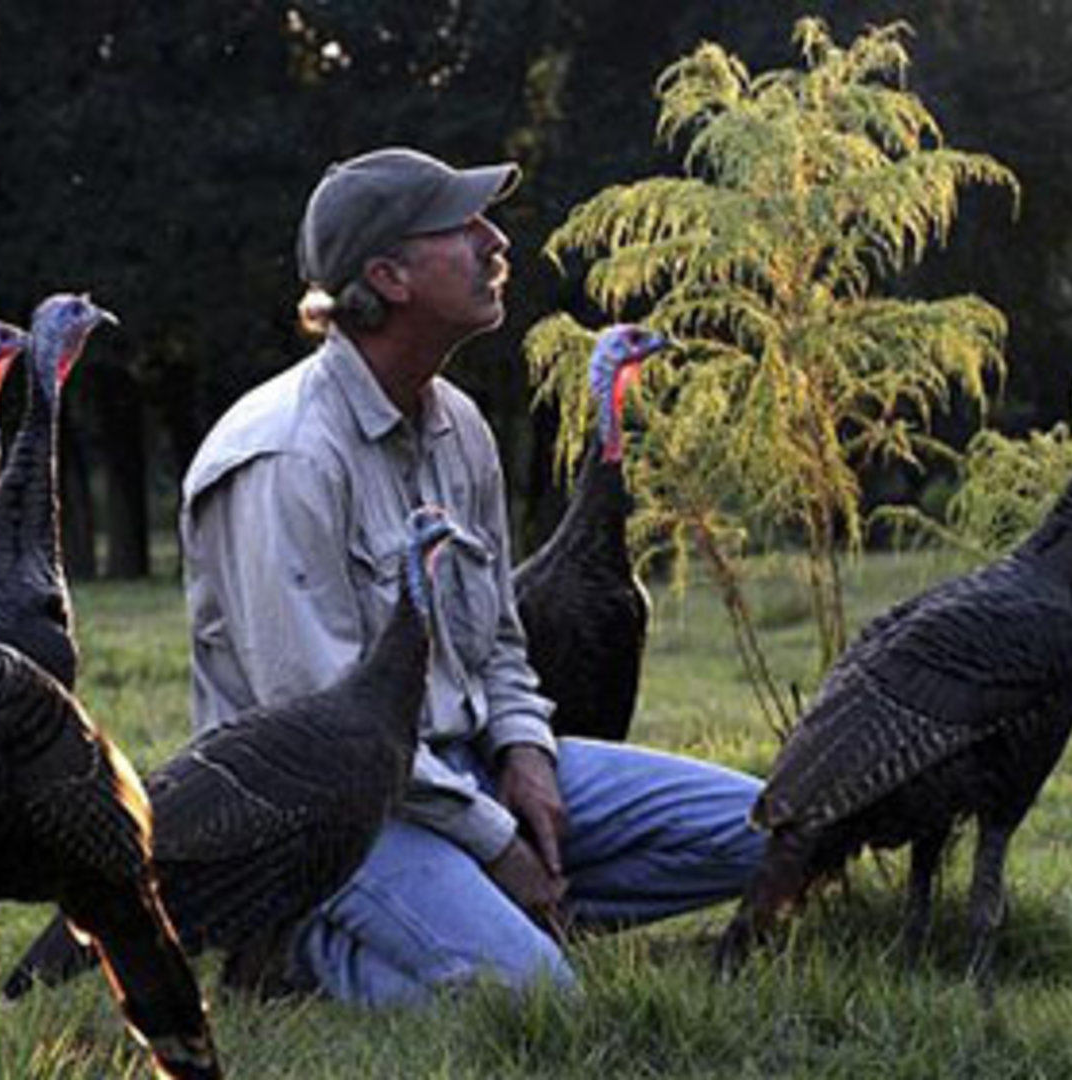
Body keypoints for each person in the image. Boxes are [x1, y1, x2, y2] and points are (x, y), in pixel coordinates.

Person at [179, 146, 764, 1007]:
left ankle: (466, 926)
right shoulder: (285, 456)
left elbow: (496, 641)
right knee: (539, 1006)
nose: (495, 241)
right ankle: (300, 946)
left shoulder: (459, 424)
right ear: (390, 275)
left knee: (777, 832)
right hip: (336, 820)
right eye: (462, 227)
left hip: (470, 767)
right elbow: (324, 735)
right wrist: (494, 839)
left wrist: (525, 751)